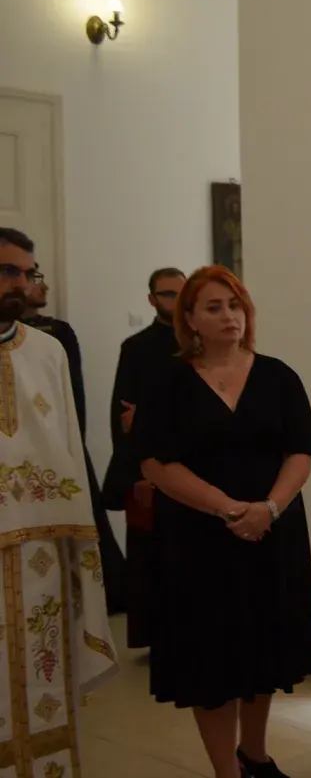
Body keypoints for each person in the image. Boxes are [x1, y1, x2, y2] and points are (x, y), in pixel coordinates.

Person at [136, 266, 311, 778]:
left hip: (270, 532)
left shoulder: (278, 376)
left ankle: (255, 756)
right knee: (211, 660)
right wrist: (227, 508)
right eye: (214, 307)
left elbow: (300, 454)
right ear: (190, 319)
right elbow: (157, 464)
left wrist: (269, 508)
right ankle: (226, 771)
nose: (228, 316)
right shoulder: (168, 382)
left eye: (235, 305)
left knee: (263, 652)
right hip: (198, 539)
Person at [0, 227, 119, 776]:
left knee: (41, 671)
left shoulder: (48, 350)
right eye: (8, 271)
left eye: (28, 273)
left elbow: (70, 442)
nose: (21, 284)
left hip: (41, 547)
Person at [19, 254, 129, 613]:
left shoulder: (58, 333)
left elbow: (73, 394)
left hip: (59, 442)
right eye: (31, 277)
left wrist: (71, 440)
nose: (43, 285)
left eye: (34, 275)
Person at [101, 266, 185, 648]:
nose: (176, 301)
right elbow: (122, 416)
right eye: (168, 294)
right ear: (152, 300)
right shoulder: (136, 348)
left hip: (192, 463)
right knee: (150, 556)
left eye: (181, 293)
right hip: (148, 465)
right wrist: (136, 470)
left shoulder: (200, 341)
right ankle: (156, 638)